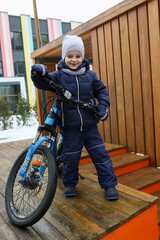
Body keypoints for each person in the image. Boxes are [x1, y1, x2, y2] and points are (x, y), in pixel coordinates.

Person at [31, 35, 119, 201]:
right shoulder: (59, 75)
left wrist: (102, 107)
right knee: (70, 157)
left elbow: (102, 91)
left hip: (90, 126)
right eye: (70, 56)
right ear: (64, 57)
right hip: (70, 127)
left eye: (78, 56)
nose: (74, 60)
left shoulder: (90, 75)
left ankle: (109, 185)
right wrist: (37, 73)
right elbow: (44, 82)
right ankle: (70, 184)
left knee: (101, 155)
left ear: (83, 57)